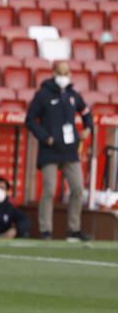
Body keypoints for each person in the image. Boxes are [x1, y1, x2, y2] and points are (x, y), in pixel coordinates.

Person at [25, 60, 93, 242]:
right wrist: (45, 137)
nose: (64, 76)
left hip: (70, 150)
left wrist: (88, 128)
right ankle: (46, 230)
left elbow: (86, 112)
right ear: (53, 73)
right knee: (49, 189)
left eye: (67, 72)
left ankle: (73, 229)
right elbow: (30, 120)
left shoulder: (72, 95)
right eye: (61, 72)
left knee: (77, 188)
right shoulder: (43, 95)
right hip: (50, 150)